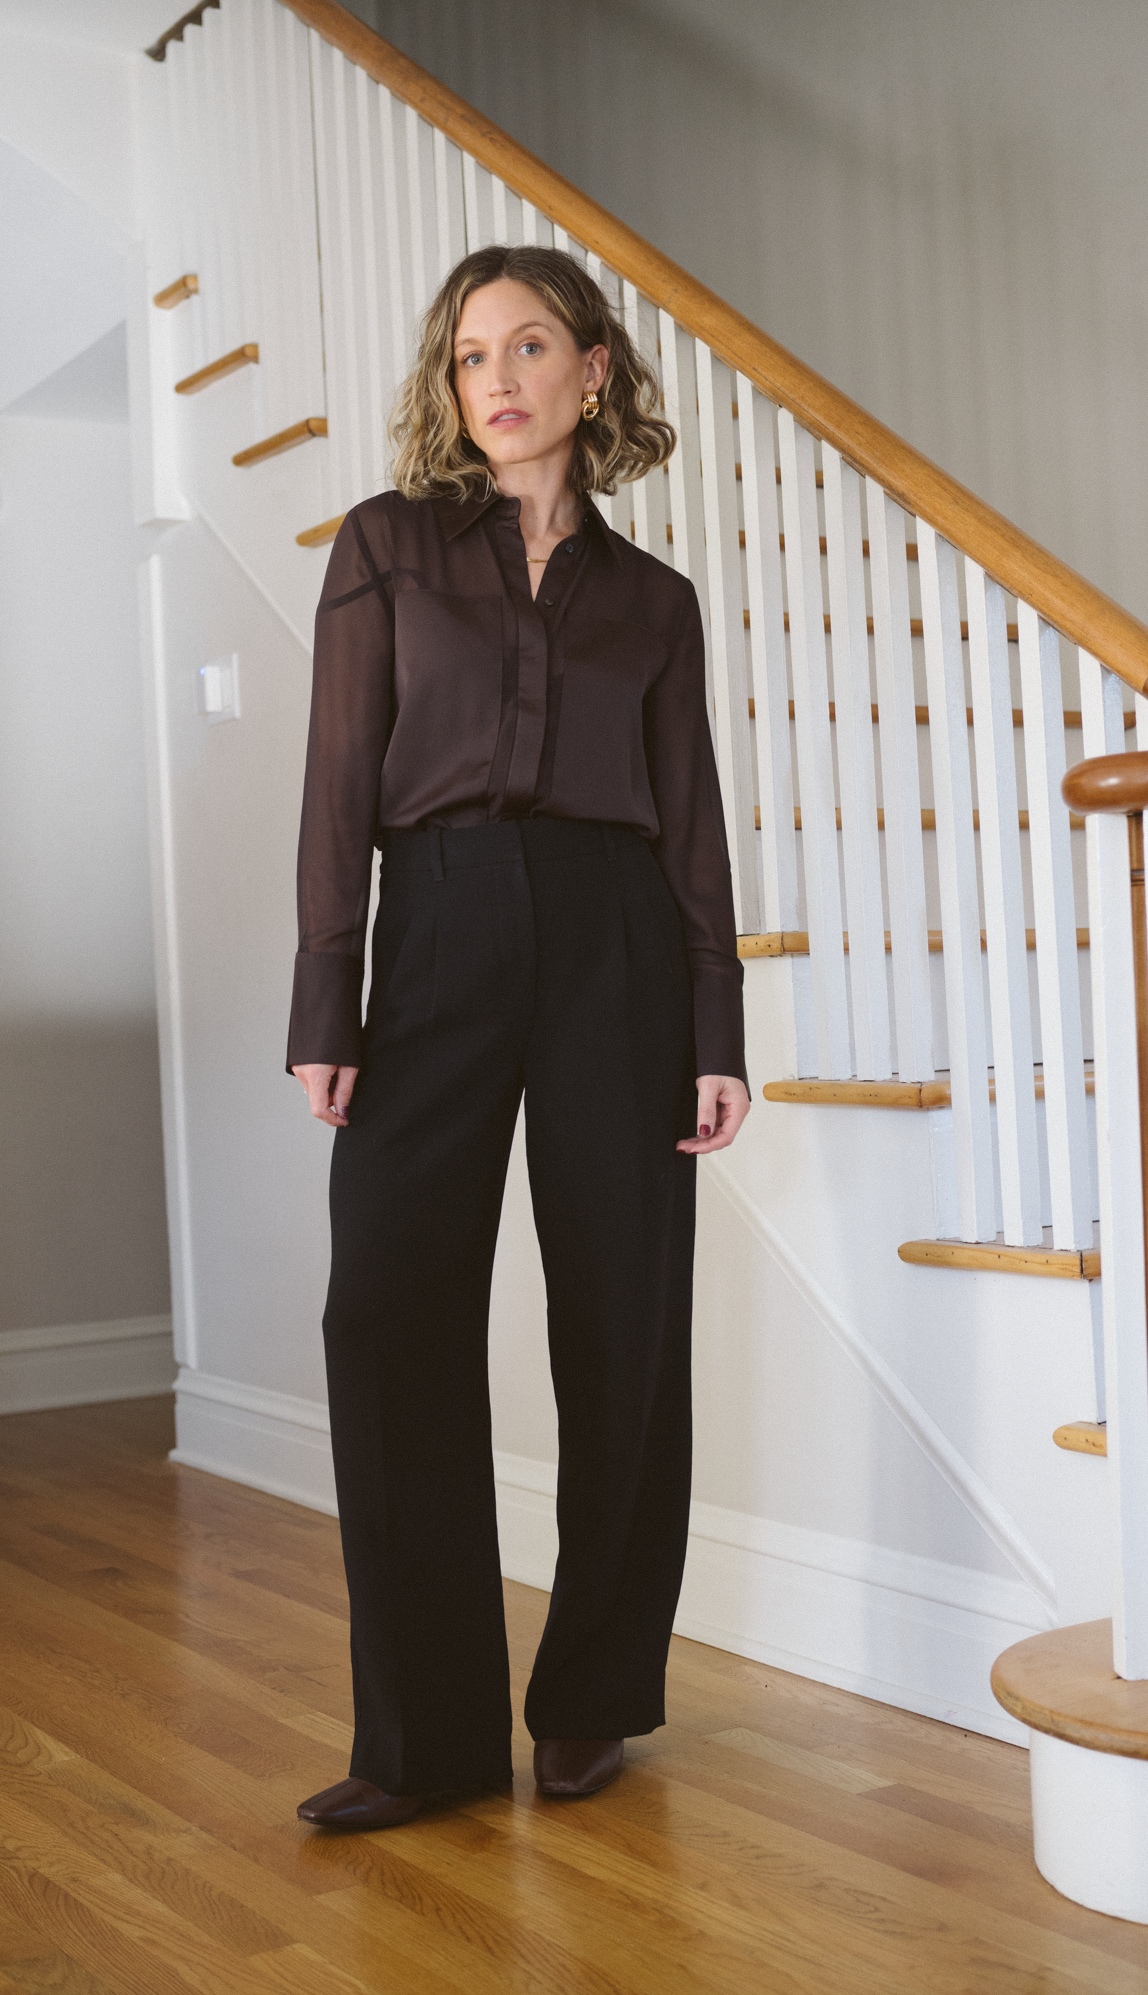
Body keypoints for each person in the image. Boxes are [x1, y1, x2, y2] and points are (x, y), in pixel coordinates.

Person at [288, 243, 750, 1831]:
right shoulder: (388, 547)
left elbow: (691, 826)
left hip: (619, 942)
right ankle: (423, 1741)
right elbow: (337, 787)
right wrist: (327, 997)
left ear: (591, 371)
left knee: (624, 1318)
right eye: (471, 353)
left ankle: (594, 1694)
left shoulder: (656, 604)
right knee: (388, 1309)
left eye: (530, 345)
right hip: (438, 925)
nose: (497, 378)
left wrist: (715, 1020)